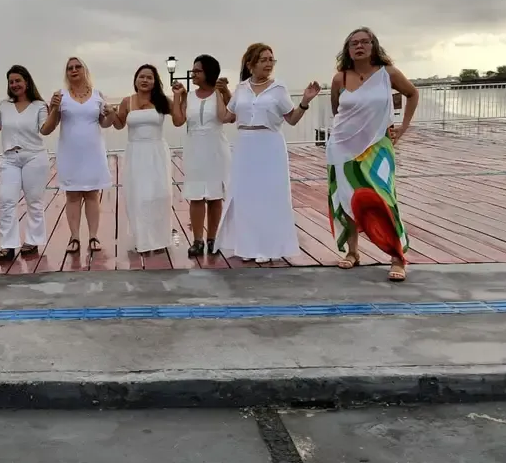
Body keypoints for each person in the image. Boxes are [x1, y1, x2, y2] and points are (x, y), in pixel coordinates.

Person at [327, 27, 419, 282]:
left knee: (384, 197)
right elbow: (337, 111)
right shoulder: (340, 79)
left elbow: (412, 93)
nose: (359, 46)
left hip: (378, 146)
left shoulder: (387, 74)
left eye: (365, 42)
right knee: (347, 199)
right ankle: (353, 252)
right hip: (342, 148)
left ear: (373, 46)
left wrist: (403, 127)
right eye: (354, 43)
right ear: (347, 49)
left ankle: (398, 257)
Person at [216, 43, 321, 263]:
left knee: (269, 195)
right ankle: (246, 246)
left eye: (271, 59)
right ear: (251, 64)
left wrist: (305, 102)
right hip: (245, 143)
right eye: (263, 59)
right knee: (245, 195)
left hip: (270, 143)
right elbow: (227, 117)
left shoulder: (278, 88)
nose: (268, 63)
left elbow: (291, 119)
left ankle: (267, 246)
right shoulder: (242, 88)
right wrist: (219, 93)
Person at [41, 57, 115, 253]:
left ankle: (93, 236)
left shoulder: (97, 95)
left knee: (92, 194)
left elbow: (105, 123)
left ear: (85, 70)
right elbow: (47, 129)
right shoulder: (60, 95)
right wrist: (54, 108)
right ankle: (74, 237)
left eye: (77, 67)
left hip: (93, 152)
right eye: (69, 68)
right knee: (72, 195)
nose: (73, 70)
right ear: (66, 73)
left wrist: (111, 113)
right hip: (70, 152)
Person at [0, 65, 53, 261]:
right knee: (6, 200)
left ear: (26, 82)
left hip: (34, 156)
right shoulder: (4, 105)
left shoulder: (39, 105)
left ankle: (33, 240)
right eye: (11, 82)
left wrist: (56, 110)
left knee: (34, 201)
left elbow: (45, 129)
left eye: (18, 81)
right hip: (10, 158)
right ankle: (8, 245)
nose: (14, 85)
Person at [170, 54, 232, 256]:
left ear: (208, 72)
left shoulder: (220, 93)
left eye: (197, 71)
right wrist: (178, 97)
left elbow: (228, 117)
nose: (193, 74)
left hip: (215, 147)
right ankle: (197, 240)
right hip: (195, 147)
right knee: (196, 195)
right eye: (193, 71)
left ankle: (212, 238)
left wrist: (224, 93)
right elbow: (178, 121)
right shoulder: (189, 96)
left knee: (215, 195)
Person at [110, 64, 173, 253]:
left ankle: (160, 239)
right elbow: (119, 125)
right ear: (135, 80)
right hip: (135, 152)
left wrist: (180, 97)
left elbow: (179, 119)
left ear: (155, 82)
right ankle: (143, 239)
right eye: (141, 77)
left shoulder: (163, 101)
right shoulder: (127, 102)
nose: (145, 80)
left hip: (156, 151)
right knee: (138, 195)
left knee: (159, 194)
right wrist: (111, 113)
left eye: (149, 77)